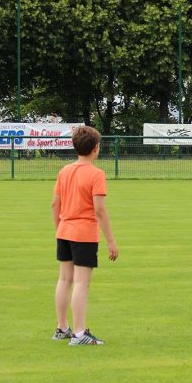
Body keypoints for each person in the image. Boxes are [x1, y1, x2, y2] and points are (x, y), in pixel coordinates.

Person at [51, 125, 119, 346]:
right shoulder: (96, 174)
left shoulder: (64, 171)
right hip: (84, 233)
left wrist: (59, 228)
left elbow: (55, 204)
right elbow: (99, 209)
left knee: (64, 279)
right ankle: (80, 333)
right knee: (81, 283)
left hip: (65, 230)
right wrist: (111, 241)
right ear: (96, 148)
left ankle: (62, 328)